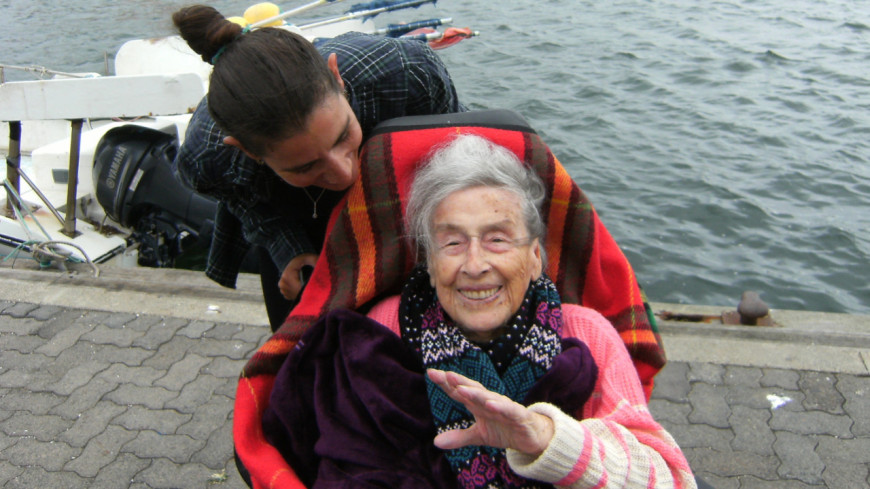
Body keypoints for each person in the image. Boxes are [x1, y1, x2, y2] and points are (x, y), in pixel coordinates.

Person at [260, 134, 695, 488]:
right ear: (430, 264)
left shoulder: (586, 334)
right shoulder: (383, 329)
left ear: (535, 257)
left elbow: (671, 480)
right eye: (452, 242)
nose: (474, 264)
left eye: (497, 240)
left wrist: (546, 439)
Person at [171, 5, 466, 330]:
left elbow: (459, 157)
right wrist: (287, 245)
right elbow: (243, 200)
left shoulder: (408, 72)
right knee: (306, 342)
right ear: (247, 151)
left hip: (405, 199)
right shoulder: (206, 158)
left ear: (337, 78)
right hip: (295, 214)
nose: (344, 174)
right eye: (305, 166)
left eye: (342, 136)